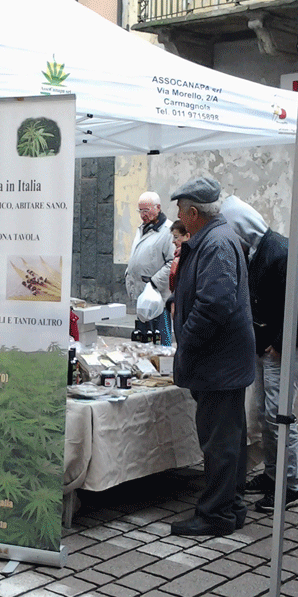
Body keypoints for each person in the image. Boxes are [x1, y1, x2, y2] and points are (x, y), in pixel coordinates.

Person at [223, 196, 298, 513]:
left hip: (283, 344)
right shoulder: (260, 249)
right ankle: (273, 476)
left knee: (280, 416)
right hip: (270, 342)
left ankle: (288, 486)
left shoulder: (279, 251)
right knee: (268, 414)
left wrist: (281, 342)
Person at [169, 176, 255, 537]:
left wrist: (186, 340)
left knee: (219, 441)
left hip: (219, 362)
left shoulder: (216, 242)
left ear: (192, 213)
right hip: (223, 361)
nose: (177, 214)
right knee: (229, 437)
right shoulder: (215, 238)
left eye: (179, 209)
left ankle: (216, 513)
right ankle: (230, 504)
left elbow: (215, 303)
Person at [126, 191, 174, 342]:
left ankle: (163, 365)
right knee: (143, 340)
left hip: (158, 296)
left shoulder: (168, 231)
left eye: (146, 210)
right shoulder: (142, 228)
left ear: (158, 208)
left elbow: (172, 262)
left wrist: (153, 283)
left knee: (161, 337)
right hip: (142, 294)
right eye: (140, 210)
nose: (142, 214)